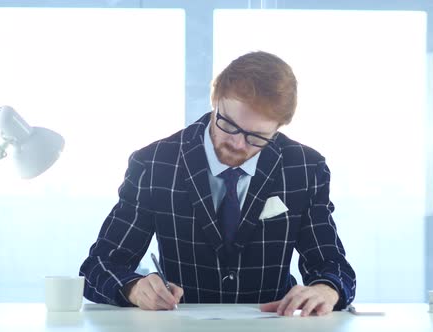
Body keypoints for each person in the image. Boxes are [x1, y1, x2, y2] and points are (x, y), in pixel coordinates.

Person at [79, 51, 356, 317]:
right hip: (179, 326)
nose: (237, 144)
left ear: (278, 128)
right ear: (215, 100)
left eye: (256, 137)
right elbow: (100, 265)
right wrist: (134, 288)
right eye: (229, 125)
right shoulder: (155, 163)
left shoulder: (305, 168)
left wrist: (326, 289)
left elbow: (331, 264)